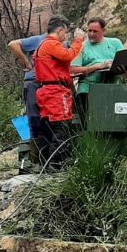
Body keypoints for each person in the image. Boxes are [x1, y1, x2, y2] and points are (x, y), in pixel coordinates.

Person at [32, 16, 86, 168]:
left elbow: (56, 66)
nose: (65, 37)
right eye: (65, 33)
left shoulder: (42, 46)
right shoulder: (51, 44)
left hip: (47, 91)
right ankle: (55, 166)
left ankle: (46, 164)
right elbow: (67, 55)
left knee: (49, 131)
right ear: (60, 30)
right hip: (55, 92)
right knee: (61, 129)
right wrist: (79, 40)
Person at [71, 16, 123, 124]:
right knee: (88, 122)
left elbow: (125, 61)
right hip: (87, 89)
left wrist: (120, 68)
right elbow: (73, 69)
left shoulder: (115, 43)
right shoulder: (81, 46)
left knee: (111, 121)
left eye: (95, 31)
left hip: (111, 87)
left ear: (103, 31)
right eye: (89, 31)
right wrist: (96, 67)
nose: (91, 34)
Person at [7, 31, 48, 169]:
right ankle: (34, 161)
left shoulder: (62, 44)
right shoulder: (38, 40)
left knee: (49, 121)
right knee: (34, 119)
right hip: (33, 82)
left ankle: (46, 159)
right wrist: (26, 62)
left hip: (49, 84)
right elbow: (13, 44)